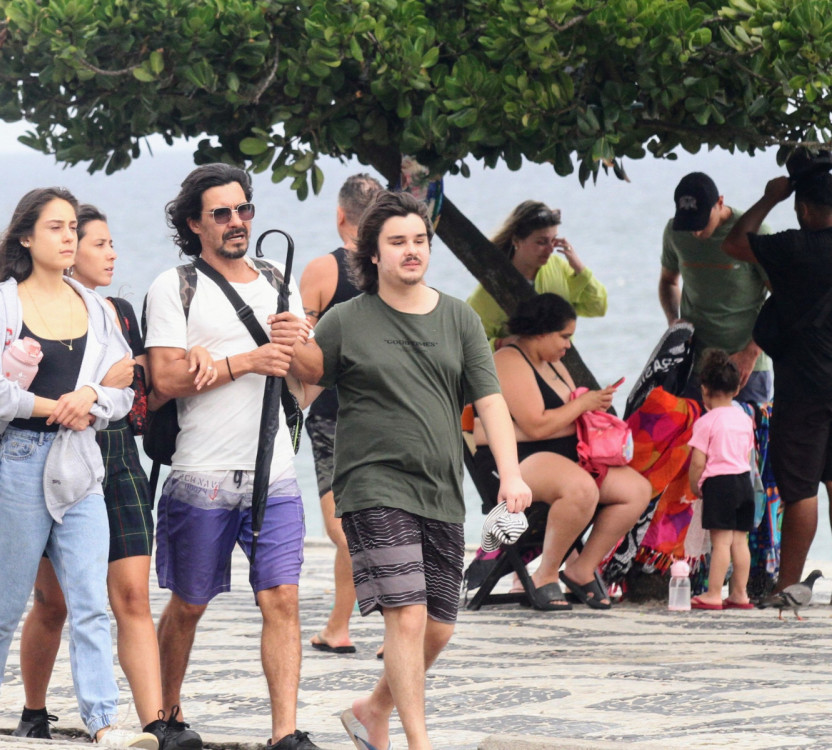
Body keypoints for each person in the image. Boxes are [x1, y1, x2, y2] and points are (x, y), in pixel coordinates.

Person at [289, 191, 532, 750]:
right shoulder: (346, 320)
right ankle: (416, 742)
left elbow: (491, 402)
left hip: (441, 487)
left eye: (419, 240)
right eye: (397, 242)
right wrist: (280, 353)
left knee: (439, 627)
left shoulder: (460, 318)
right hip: (372, 484)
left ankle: (373, 710)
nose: (411, 251)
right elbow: (303, 390)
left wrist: (510, 476)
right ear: (372, 253)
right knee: (407, 614)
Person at [0, 187, 154, 748]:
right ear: (27, 237)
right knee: (5, 604)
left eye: (72, 228)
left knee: (90, 602)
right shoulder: (6, 305)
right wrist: (48, 406)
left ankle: (103, 724)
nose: (68, 238)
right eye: (56, 228)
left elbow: (119, 389)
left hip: (82, 465)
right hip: (19, 460)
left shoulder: (94, 308)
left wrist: (87, 396)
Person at [143, 164, 321, 750]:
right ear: (194, 224)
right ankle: (166, 716)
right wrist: (246, 360)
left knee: (283, 599)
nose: (237, 222)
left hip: (275, 475)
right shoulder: (175, 286)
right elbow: (165, 379)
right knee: (189, 604)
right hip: (203, 473)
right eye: (221, 213)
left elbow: (314, 373)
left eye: (244, 209)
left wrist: (299, 341)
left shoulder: (277, 278)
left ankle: (285, 732)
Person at [15, 205, 205, 748]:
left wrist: (181, 364)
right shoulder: (33, 309)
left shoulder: (120, 312)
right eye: (97, 243)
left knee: (131, 599)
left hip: (118, 461)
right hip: (55, 461)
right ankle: (33, 710)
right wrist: (104, 380)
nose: (109, 253)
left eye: (107, 242)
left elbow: (144, 392)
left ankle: (157, 724)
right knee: (54, 604)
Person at [472, 293, 653, 611]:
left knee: (636, 490)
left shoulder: (553, 362)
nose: (568, 345)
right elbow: (536, 427)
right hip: (518, 463)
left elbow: (560, 419)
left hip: (561, 457)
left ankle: (581, 567)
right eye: (564, 336)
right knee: (580, 488)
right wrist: (583, 405)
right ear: (541, 331)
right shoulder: (509, 361)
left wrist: (588, 410)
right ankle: (545, 574)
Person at [722, 154, 832, 594]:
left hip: (804, 385)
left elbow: (736, 241)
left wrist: (769, 198)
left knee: (801, 487)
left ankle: (788, 584)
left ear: (803, 208)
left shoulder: (793, 247)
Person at [297, 172, 383, 656]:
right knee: (377, 519)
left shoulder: (323, 270)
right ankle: (338, 626)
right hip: (389, 410)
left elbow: (303, 347)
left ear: (339, 215)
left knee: (343, 528)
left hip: (335, 414)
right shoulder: (397, 271)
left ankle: (369, 626)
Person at [660, 172, 772, 404]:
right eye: (689, 225)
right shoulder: (674, 233)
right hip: (694, 368)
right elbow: (668, 281)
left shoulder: (753, 234)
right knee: (693, 439)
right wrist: (673, 321)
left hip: (747, 370)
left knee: (745, 439)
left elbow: (785, 298)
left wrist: (751, 354)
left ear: (720, 203)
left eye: (701, 223)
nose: (696, 232)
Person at [467, 201, 607, 350]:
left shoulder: (559, 267)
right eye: (541, 242)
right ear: (516, 240)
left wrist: (579, 268)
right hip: (514, 370)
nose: (550, 249)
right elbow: (465, 344)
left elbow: (597, 307)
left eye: (553, 241)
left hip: (560, 369)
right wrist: (500, 344)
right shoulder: (493, 286)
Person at [687, 349, 758, 610]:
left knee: (721, 543)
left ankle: (713, 594)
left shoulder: (706, 422)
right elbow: (748, 454)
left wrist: (695, 485)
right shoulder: (744, 419)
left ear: (704, 389)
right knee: (740, 542)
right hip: (743, 483)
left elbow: (697, 461)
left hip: (720, 484)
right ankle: (740, 593)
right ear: (737, 389)